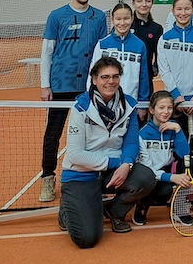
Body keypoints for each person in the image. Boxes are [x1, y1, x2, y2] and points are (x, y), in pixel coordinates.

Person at [58, 57, 156, 248]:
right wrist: (117, 164)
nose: (111, 81)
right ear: (94, 79)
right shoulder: (81, 107)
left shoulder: (129, 105)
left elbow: (131, 141)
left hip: (113, 171)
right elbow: (75, 154)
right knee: (87, 239)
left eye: (115, 76)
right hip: (82, 173)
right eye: (105, 77)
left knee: (145, 178)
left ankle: (113, 211)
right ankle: (67, 210)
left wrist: (127, 164)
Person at [39, 0, 109, 203]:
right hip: (61, 85)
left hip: (88, 88)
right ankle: (47, 179)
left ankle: (90, 177)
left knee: (93, 134)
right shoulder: (56, 16)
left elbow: (101, 52)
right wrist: (45, 85)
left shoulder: (99, 17)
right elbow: (47, 52)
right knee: (53, 134)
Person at [132, 90, 193, 227]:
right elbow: (147, 169)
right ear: (151, 110)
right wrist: (171, 177)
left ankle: (180, 207)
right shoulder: (142, 135)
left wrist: (178, 129)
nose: (166, 112)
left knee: (191, 163)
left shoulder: (173, 128)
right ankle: (142, 203)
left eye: (169, 108)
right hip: (150, 175)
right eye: (161, 107)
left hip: (168, 169)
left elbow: (185, 155)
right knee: (164, 192)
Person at [157, 0, 193, 144]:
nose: (183, 13)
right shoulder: (164, 39)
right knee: (174, 142)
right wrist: (176, 96)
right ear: (173, 11)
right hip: (173, 100)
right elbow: (164, 70)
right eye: (179, 9)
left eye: (187, 9)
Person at [88, 3, 151, 124]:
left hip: (131, 103)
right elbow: (93, 74)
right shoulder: (102, 44)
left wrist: (142, 104)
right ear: (112, 20)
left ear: (132, 19)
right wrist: (91, 98)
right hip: (104, 103)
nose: (122, 23)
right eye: (118, 19)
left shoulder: (140, 45)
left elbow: (143, 76)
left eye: (126, 18)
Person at [131, 0, 164, 73]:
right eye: (139, 1)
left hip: (146, 75)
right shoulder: (126, 26)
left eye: (148, 1)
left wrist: (156, 68)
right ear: (133, 3)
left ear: (152, 3)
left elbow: (159, 54)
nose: (144, 4)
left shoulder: (157, 29)